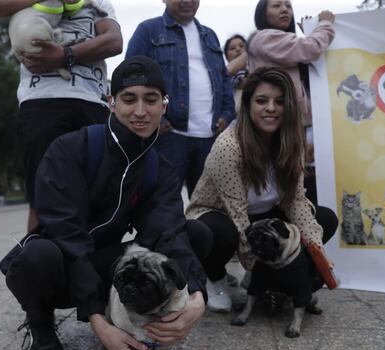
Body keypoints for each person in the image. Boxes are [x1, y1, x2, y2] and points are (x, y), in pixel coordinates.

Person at [0, 56, 211, 350]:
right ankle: (40, 321)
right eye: (129, 99)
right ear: (111, 102)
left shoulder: (159, 170)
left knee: (195, 233)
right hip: (61, 266)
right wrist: (99, 324)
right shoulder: (69, 149)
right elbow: (67, 235)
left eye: (151, 100)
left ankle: (150, 315)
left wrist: (197, 296)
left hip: (108, 265)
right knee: (37, 255)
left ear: (164, 105)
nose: (140, 111)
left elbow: (169, 233)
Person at [186, 67, 338, 313]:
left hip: (265, 215)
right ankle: (214, 278)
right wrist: (259, 270)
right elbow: (237, 214)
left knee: (325, 219)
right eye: (261, 100)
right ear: (247, 105)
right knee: (222, 233)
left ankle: (274, 283)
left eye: (279, 102)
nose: (271, 108)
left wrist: (316, 254)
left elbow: (296, 200)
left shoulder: (292, 141)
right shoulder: (229, 146)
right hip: (220, 213)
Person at [0, 0, 123, 231]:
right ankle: (37, 263)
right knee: (41, 202)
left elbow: (114, 42)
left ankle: (88, 265)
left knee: (96, 198)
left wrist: (65, 55)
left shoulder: (98, 2)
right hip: (41, 102)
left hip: (92, 103)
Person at [125, 0, 235, 198]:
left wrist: (227, 114)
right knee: (161, 205)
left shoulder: (209, 35)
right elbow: (130, 75)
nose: (186, 1)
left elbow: (224, 79)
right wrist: (156, 118)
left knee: (208, 209)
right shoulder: (148, 30)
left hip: (210, 138)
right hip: (169, 136)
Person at [247, 0, 335, 204]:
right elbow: (311, 48)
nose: (284, 9)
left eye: (288, 5)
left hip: (293, 126)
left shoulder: (282, 40)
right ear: (262, 13)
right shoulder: (264, 38)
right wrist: (324, 24)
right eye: (276, 6)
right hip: (276, 124)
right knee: (289, 189)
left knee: (297, 186)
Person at [223, 34, 248, 108]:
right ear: (227, 57)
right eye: (232, 48)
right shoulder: (224, 79)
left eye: (241, 46)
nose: (238, 49)